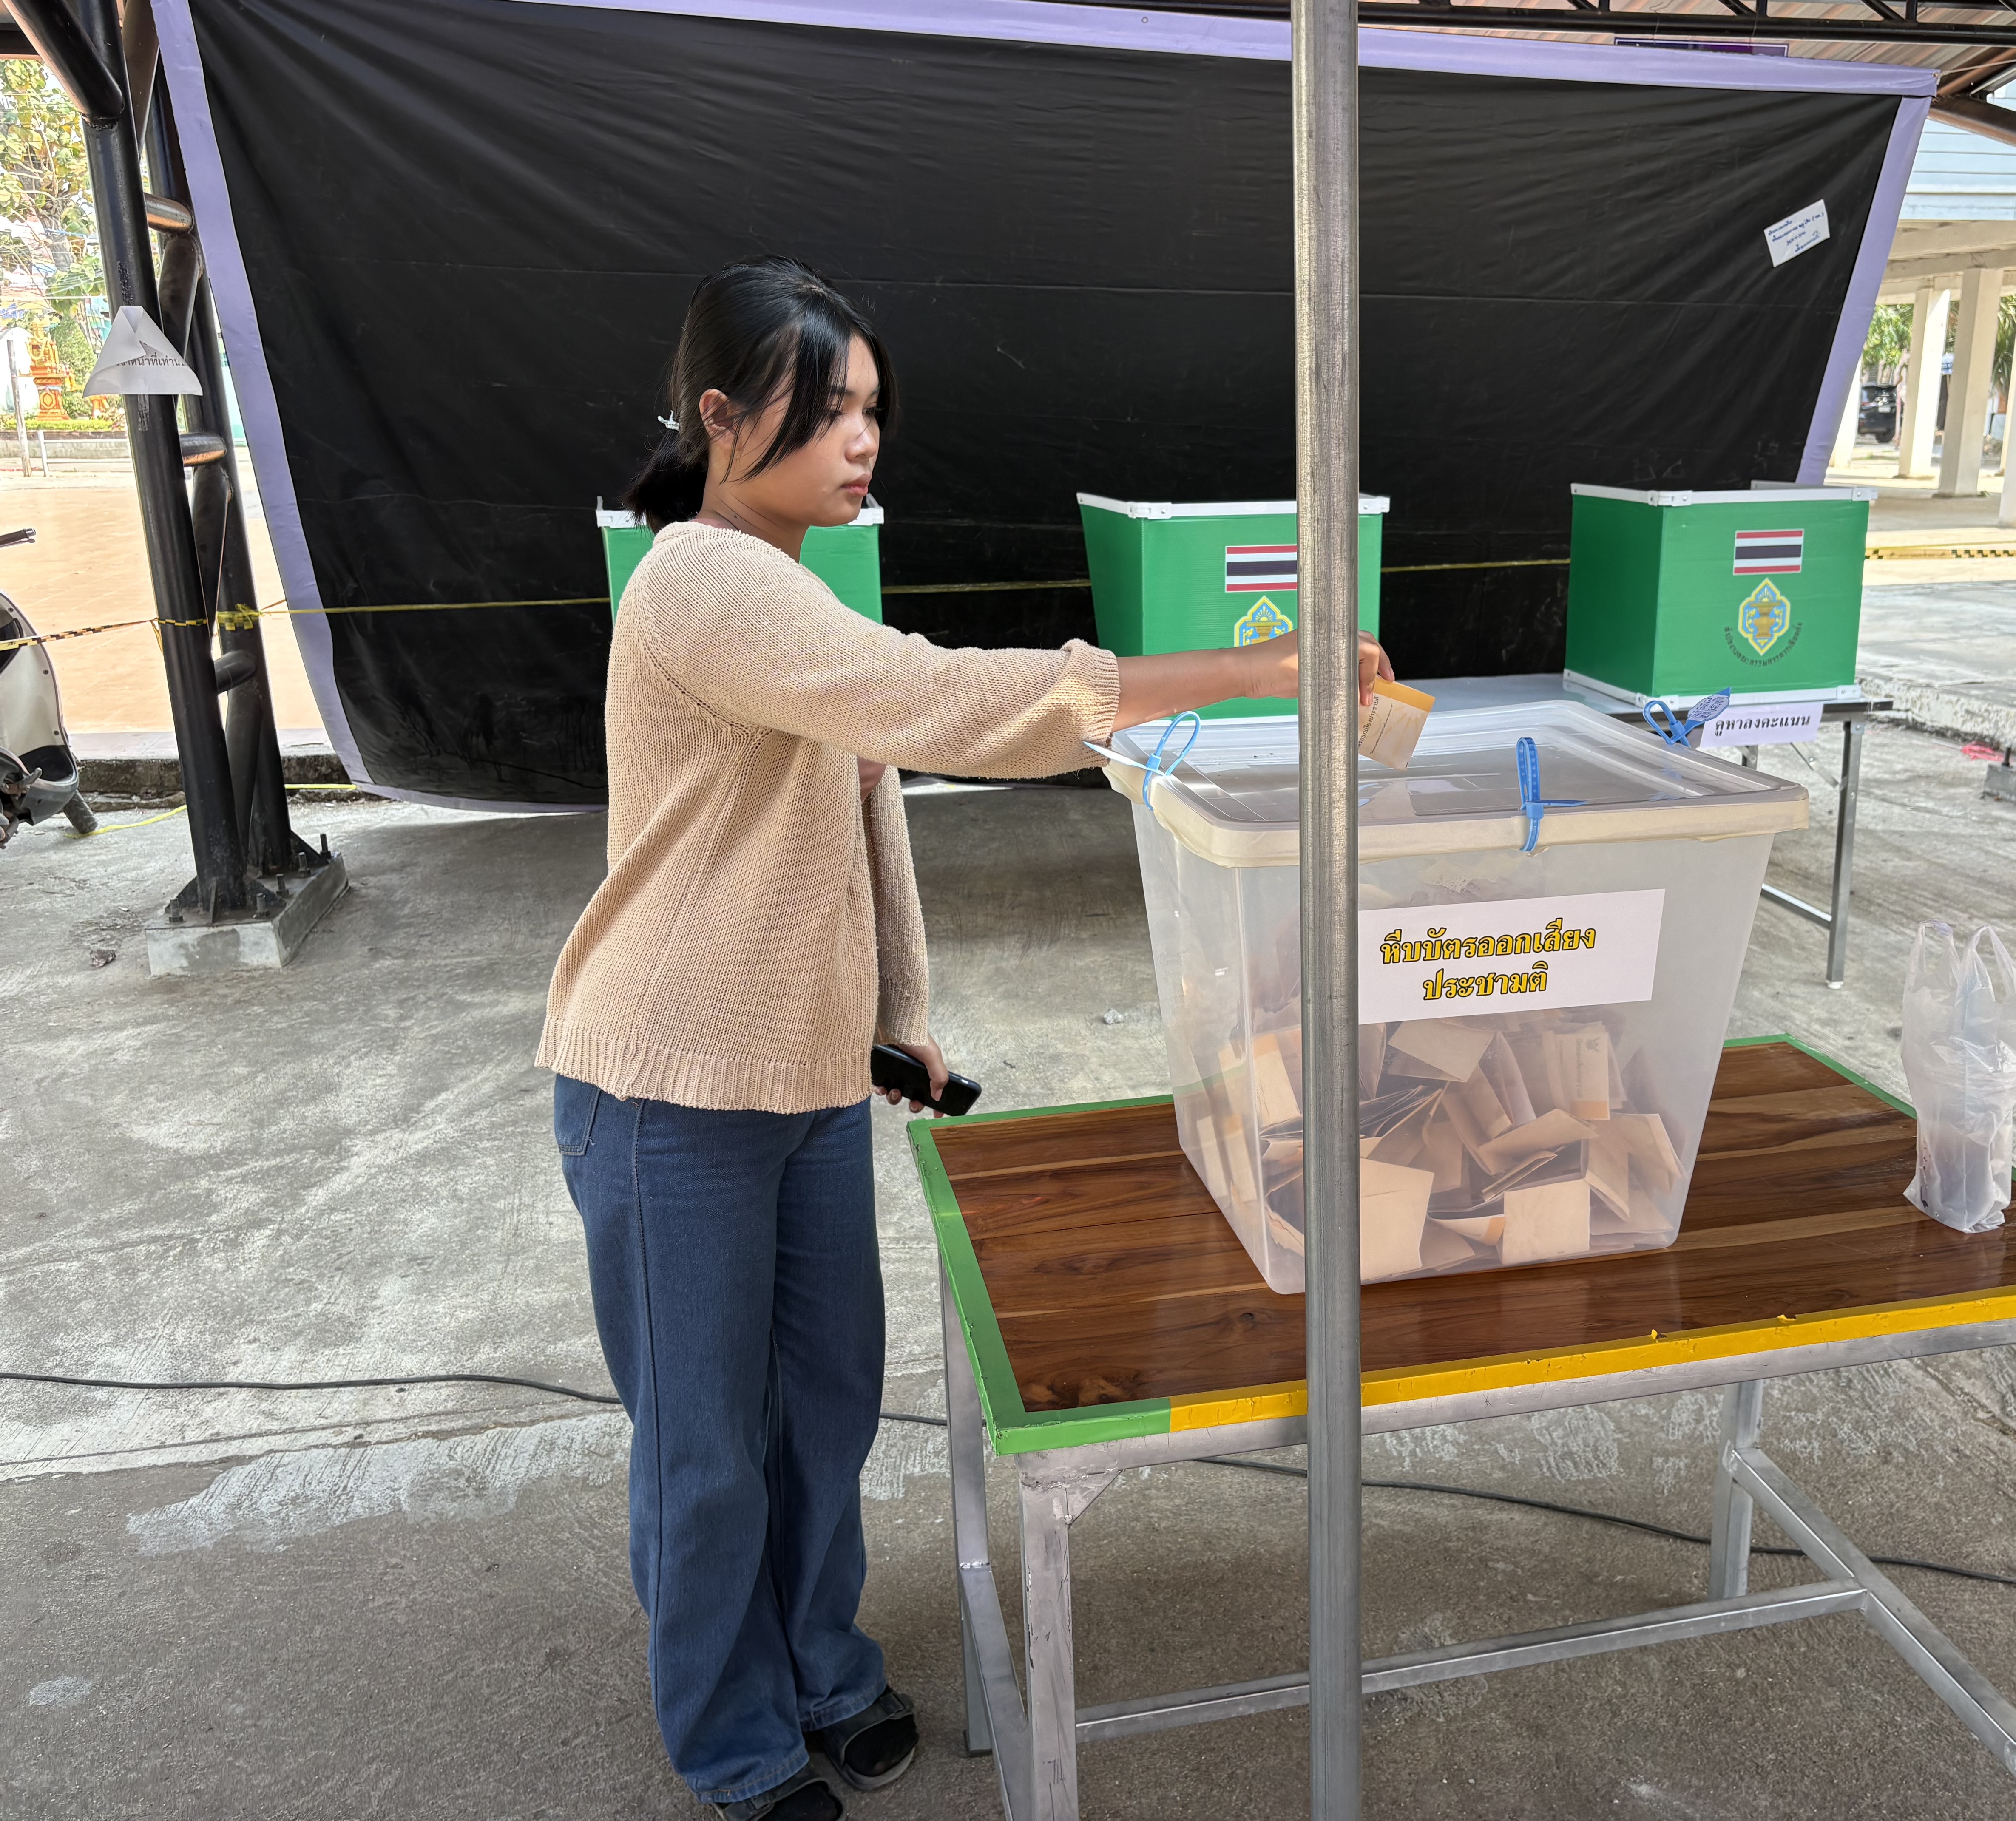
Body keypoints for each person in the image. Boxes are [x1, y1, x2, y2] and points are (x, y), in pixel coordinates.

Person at [541, 255, 1390, 1821]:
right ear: (721, 417)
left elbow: (870, 808)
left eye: (873, 407)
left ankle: (821, 1664)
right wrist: (1267, 667)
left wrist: (901, 1025)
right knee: (707, 1443)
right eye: (828, 407)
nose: (864, 438)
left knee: (825, 1404)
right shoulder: (700, 581)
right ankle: (732, 1740)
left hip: (796, 1079)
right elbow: (939, 707)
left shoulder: (792, 582)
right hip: (664, 1084)